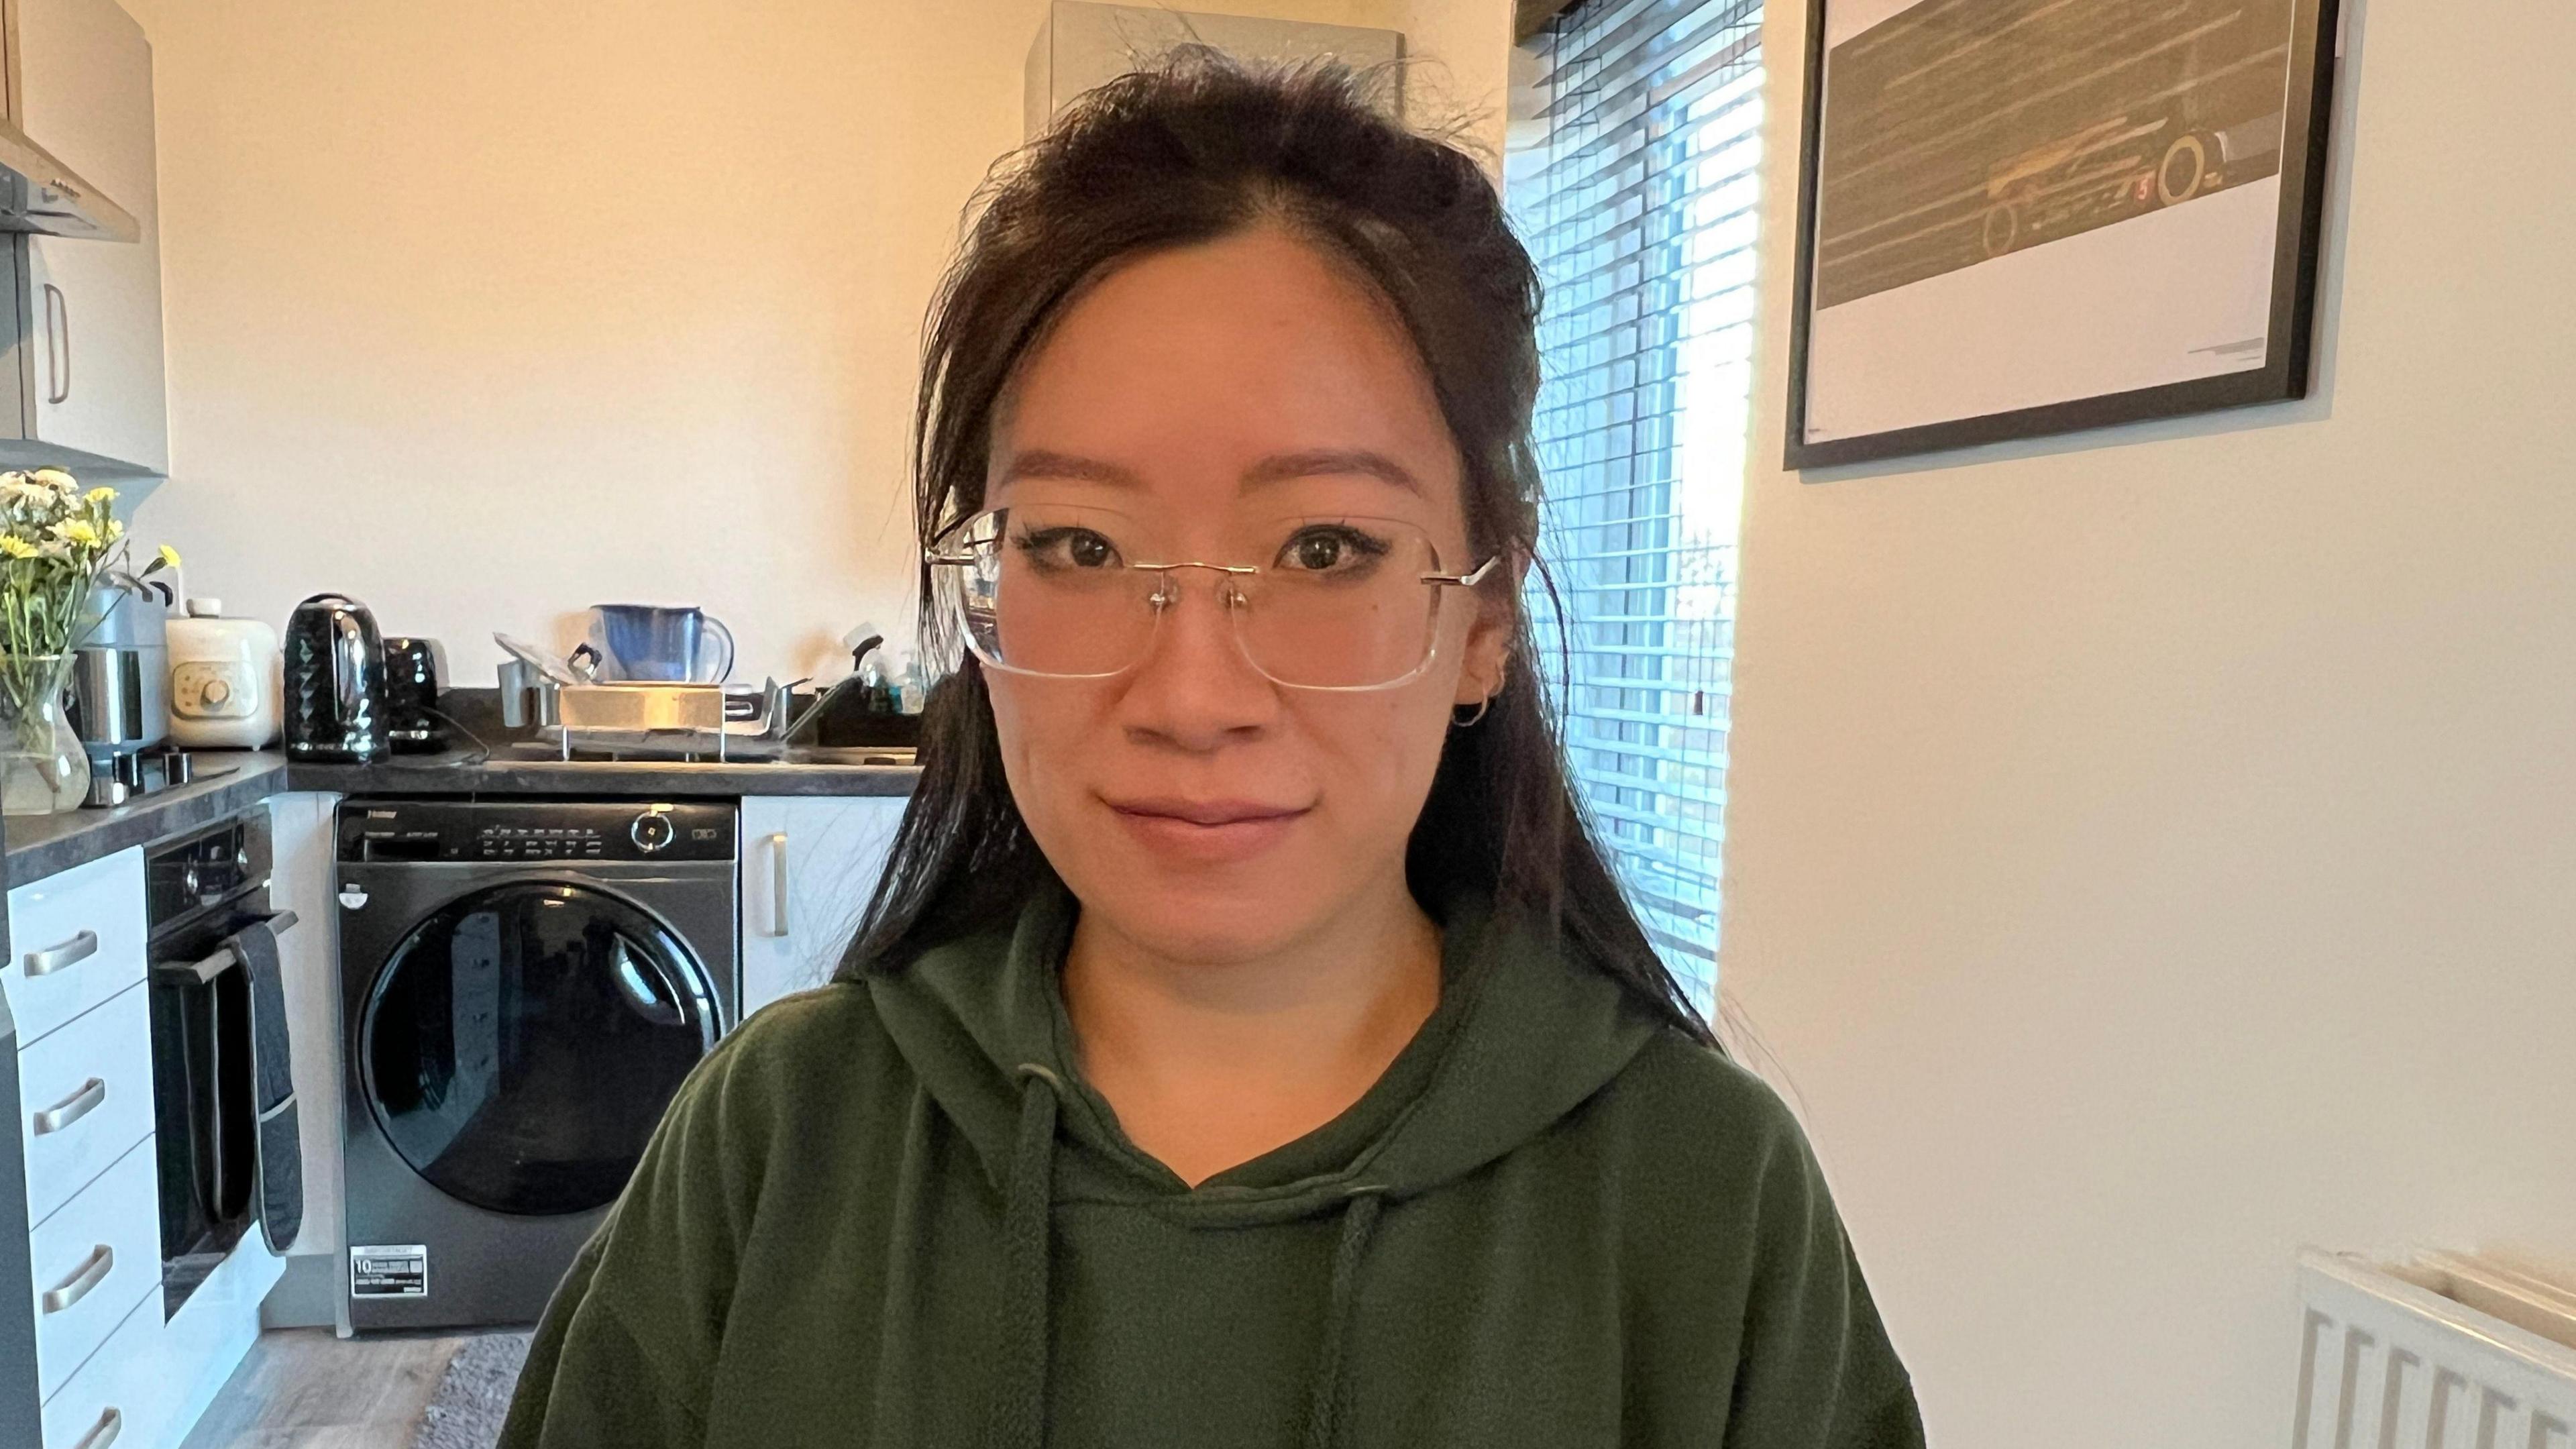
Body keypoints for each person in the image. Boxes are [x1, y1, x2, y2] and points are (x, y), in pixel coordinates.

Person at [500, 52, 1923, 1449]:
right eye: (1079, 546)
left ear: (1485, 617)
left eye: (1324, 548)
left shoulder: (1701, 1200)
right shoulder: (779, 1146)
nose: (1190, 694)